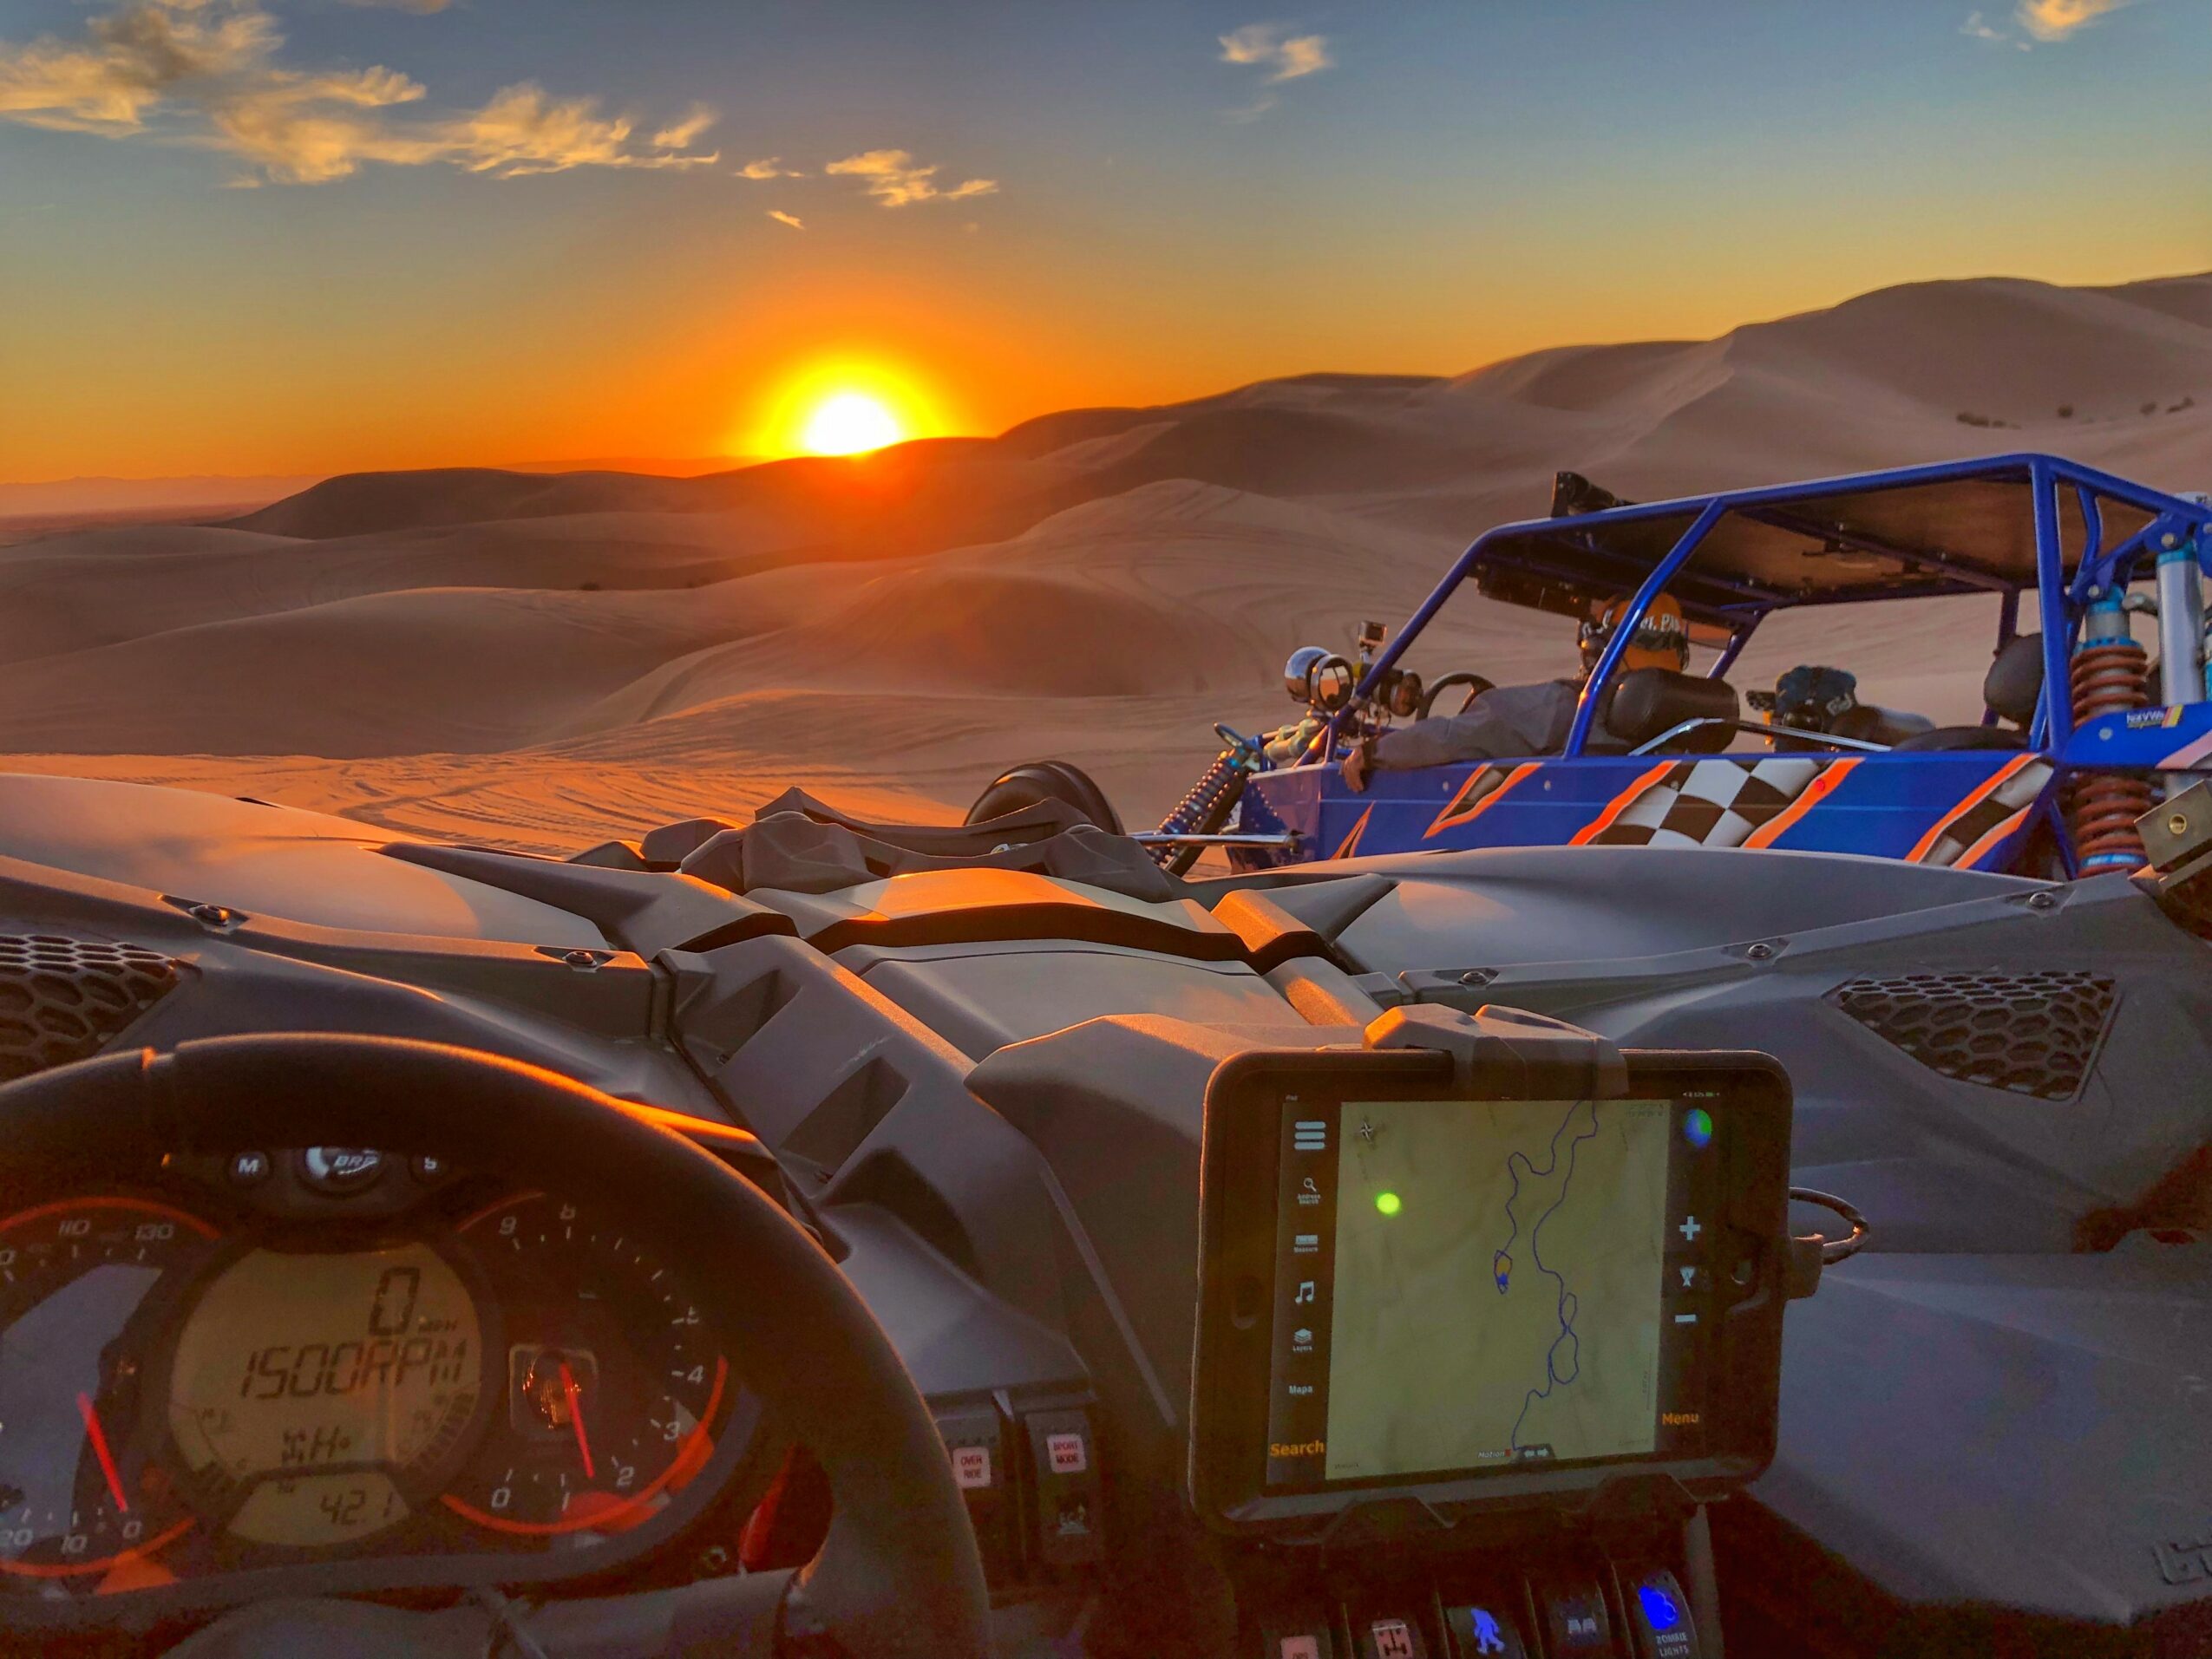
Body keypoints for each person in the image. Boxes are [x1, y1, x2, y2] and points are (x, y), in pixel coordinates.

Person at [1342, 592, 1689, 789]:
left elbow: (1450, 738)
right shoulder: (1681, 720)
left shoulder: (1565, 707)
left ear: (1601, 645)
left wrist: (1372, 754)